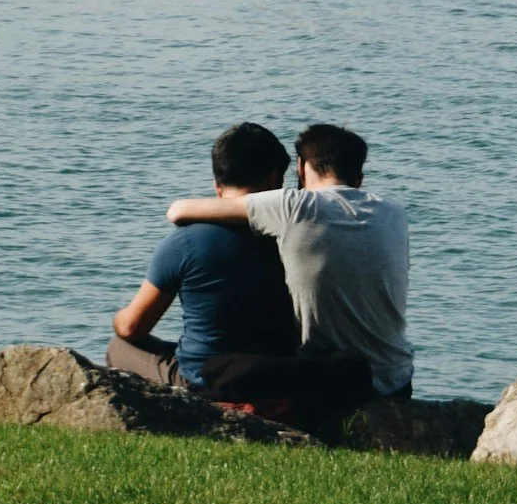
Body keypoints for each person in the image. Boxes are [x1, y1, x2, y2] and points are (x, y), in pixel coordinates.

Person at [164, 121, 413, 404]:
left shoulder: (293, 206)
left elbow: (178, 210)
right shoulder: (394, 214)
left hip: (333, 382)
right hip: (396, 380)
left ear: (301, 166)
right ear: (359, 177)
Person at [107, 121, 299, 390]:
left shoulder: (185, 242)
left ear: (217, 185)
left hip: (207, 380)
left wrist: (117, 317)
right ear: (273, 179)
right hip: (280, 376)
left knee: (119, 346)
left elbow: (131, 327)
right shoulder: (297, 236)